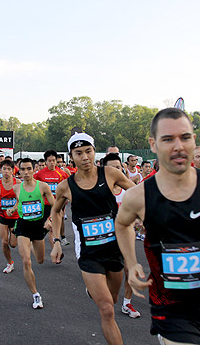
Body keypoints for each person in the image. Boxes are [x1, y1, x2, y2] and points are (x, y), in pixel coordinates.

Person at [116, 108, 200, 345]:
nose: (178, 146)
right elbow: (122, 224)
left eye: (185, 137)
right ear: (153, 144)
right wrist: (131, 262)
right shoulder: (139, 196)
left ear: (194, 140)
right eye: (168, 139)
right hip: (170, 304)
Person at [51, 133, 136, 345]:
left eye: (88, 151)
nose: (85, 157)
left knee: (113, 299)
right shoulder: (66, 186)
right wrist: (56, 241)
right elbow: (55, 211)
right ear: (71, 157)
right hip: (88, 253)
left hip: (114, 248)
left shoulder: (110, 173)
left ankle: (93, 290)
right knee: (107, 308)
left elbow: (136, 193)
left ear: (94, 152)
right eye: (78, 153)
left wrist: (140, 214)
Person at [7, 158, 55, 309]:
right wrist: (13, 209)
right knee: (26, 261)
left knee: (40, 260)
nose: (26, 172)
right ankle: (36, 295)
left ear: (34, 170)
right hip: (23, 226)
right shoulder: (17, 188)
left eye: (29, 169)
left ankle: (33, 247)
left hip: (38, 226)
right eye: (23, 169)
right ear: (19, 171)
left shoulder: (43, 186)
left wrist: (50, 219)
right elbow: (19, 201)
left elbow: (55, 205)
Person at [102, 153, 141, 319]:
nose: (115, 171)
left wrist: (137, 221)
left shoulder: (129, 190)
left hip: (125, 237)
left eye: (118, 167)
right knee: (107, 274)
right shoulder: (100, 192)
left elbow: (138, 207)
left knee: (129, 269)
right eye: (111, 168)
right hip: (104, 239)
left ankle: (127, 303)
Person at [34, 149, 70, 245]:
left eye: (54, 160)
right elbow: (32, 185)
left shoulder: (62, 174)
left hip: (57, 204)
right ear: (46, 161)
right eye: (49, 161)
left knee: (53, 230)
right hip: (44, 205)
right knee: (44, 229)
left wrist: (66, 198)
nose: (52, 163)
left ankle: (56, 253)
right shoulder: (40, 174)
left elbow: (68, 187)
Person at [0, 159, 20, 274]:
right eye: (4, 169)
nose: (6, 171)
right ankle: (10, 263)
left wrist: (13, 209)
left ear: (12, 171)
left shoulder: (17, 183)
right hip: (2, 216)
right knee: (4, 242)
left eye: (9, 169)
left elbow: (20, 200)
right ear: (0, 170)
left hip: (15, 217)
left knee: (13, 244)